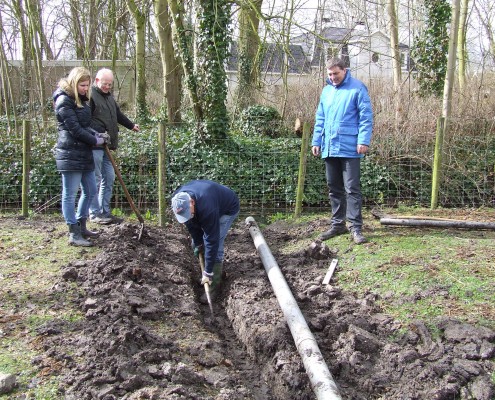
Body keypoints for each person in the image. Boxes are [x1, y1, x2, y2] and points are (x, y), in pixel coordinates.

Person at [311, 57, 373, 244]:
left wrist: (363, 140)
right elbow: (320, 118)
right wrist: (316, 141)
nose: (332, 77)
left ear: (344, 70)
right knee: (334, 188)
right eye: (329, 74)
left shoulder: (357, 88)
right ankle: (338, 225)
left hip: (350, 148)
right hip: (329, 147)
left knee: (352, 189)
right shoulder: (326, 91)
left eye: (335, 73)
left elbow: (366, 117)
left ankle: (355, 228)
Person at [53, 67, 110, 246]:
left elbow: (85, 125)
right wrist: (96, 141)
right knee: (70, 194)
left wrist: (98, 134)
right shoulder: (64, 101)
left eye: (87, 85)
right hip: (70, 154)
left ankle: (81, 224)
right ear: (74, 83)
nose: (86, 89)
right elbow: (75, 130)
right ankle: (73, 233)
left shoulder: (82, 101)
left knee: (91, 190)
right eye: (83, 85)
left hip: (84, 153)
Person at [171, 180, 240, 301]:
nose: (187, 215)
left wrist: (208, 272)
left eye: (189, 212)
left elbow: (212, 240)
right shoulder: (178, 200)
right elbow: (190, 223)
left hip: (227, 209)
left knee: (216, 245)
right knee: (197, 243)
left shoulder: (207, 207)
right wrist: (198, 244)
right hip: (210, 201)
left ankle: (213, 283)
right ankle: (206, 273)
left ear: (192, 202)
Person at [89, 68, 140, 224]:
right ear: (97, 81)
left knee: (109, 178)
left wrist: (131, 125)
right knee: (95, 179)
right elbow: (85, 121)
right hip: (95, 145)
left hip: (108, 145)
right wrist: (97, 134)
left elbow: (117, 114)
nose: (107, 87)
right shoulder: (90, 97)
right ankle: (94, 213)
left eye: (110, 84)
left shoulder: (109, 97)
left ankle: (105, 212)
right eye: (105, 84)